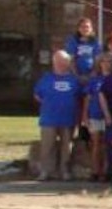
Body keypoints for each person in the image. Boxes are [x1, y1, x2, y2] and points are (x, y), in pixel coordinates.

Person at [34, 50, 82, 181]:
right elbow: (37, 95)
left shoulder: (73, 80)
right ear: (54, 62)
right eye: (58, 61)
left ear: (68, 63)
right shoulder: (46, 78)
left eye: (64, 61)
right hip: (49, 119)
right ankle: (45, 171)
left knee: (67, 146)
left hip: (68, 118)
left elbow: (80, 97)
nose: (61, 63)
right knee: (47, 146)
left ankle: (65, 171)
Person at [82, 52, 112, 181]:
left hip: (110, 115)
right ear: (99, 64)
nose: (106, 64)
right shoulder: (94, 80)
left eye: (108, 62)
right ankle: (95, 170)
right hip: (95, 114)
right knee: (95, 143)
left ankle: (105, 171)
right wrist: (84, 115)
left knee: (106, 144)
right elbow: (87, 98)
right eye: (103, 62)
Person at [65, 17, 101, 82]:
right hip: (75, 75)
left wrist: (92, 74)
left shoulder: (95, 42)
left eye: (87, 27)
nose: (85, 29)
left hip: (91, 75)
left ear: (91, 29)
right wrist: (77, 76)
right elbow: (71, 60)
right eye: (82, 27)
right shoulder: (73, 41)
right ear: (78, 28)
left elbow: (97, 60)